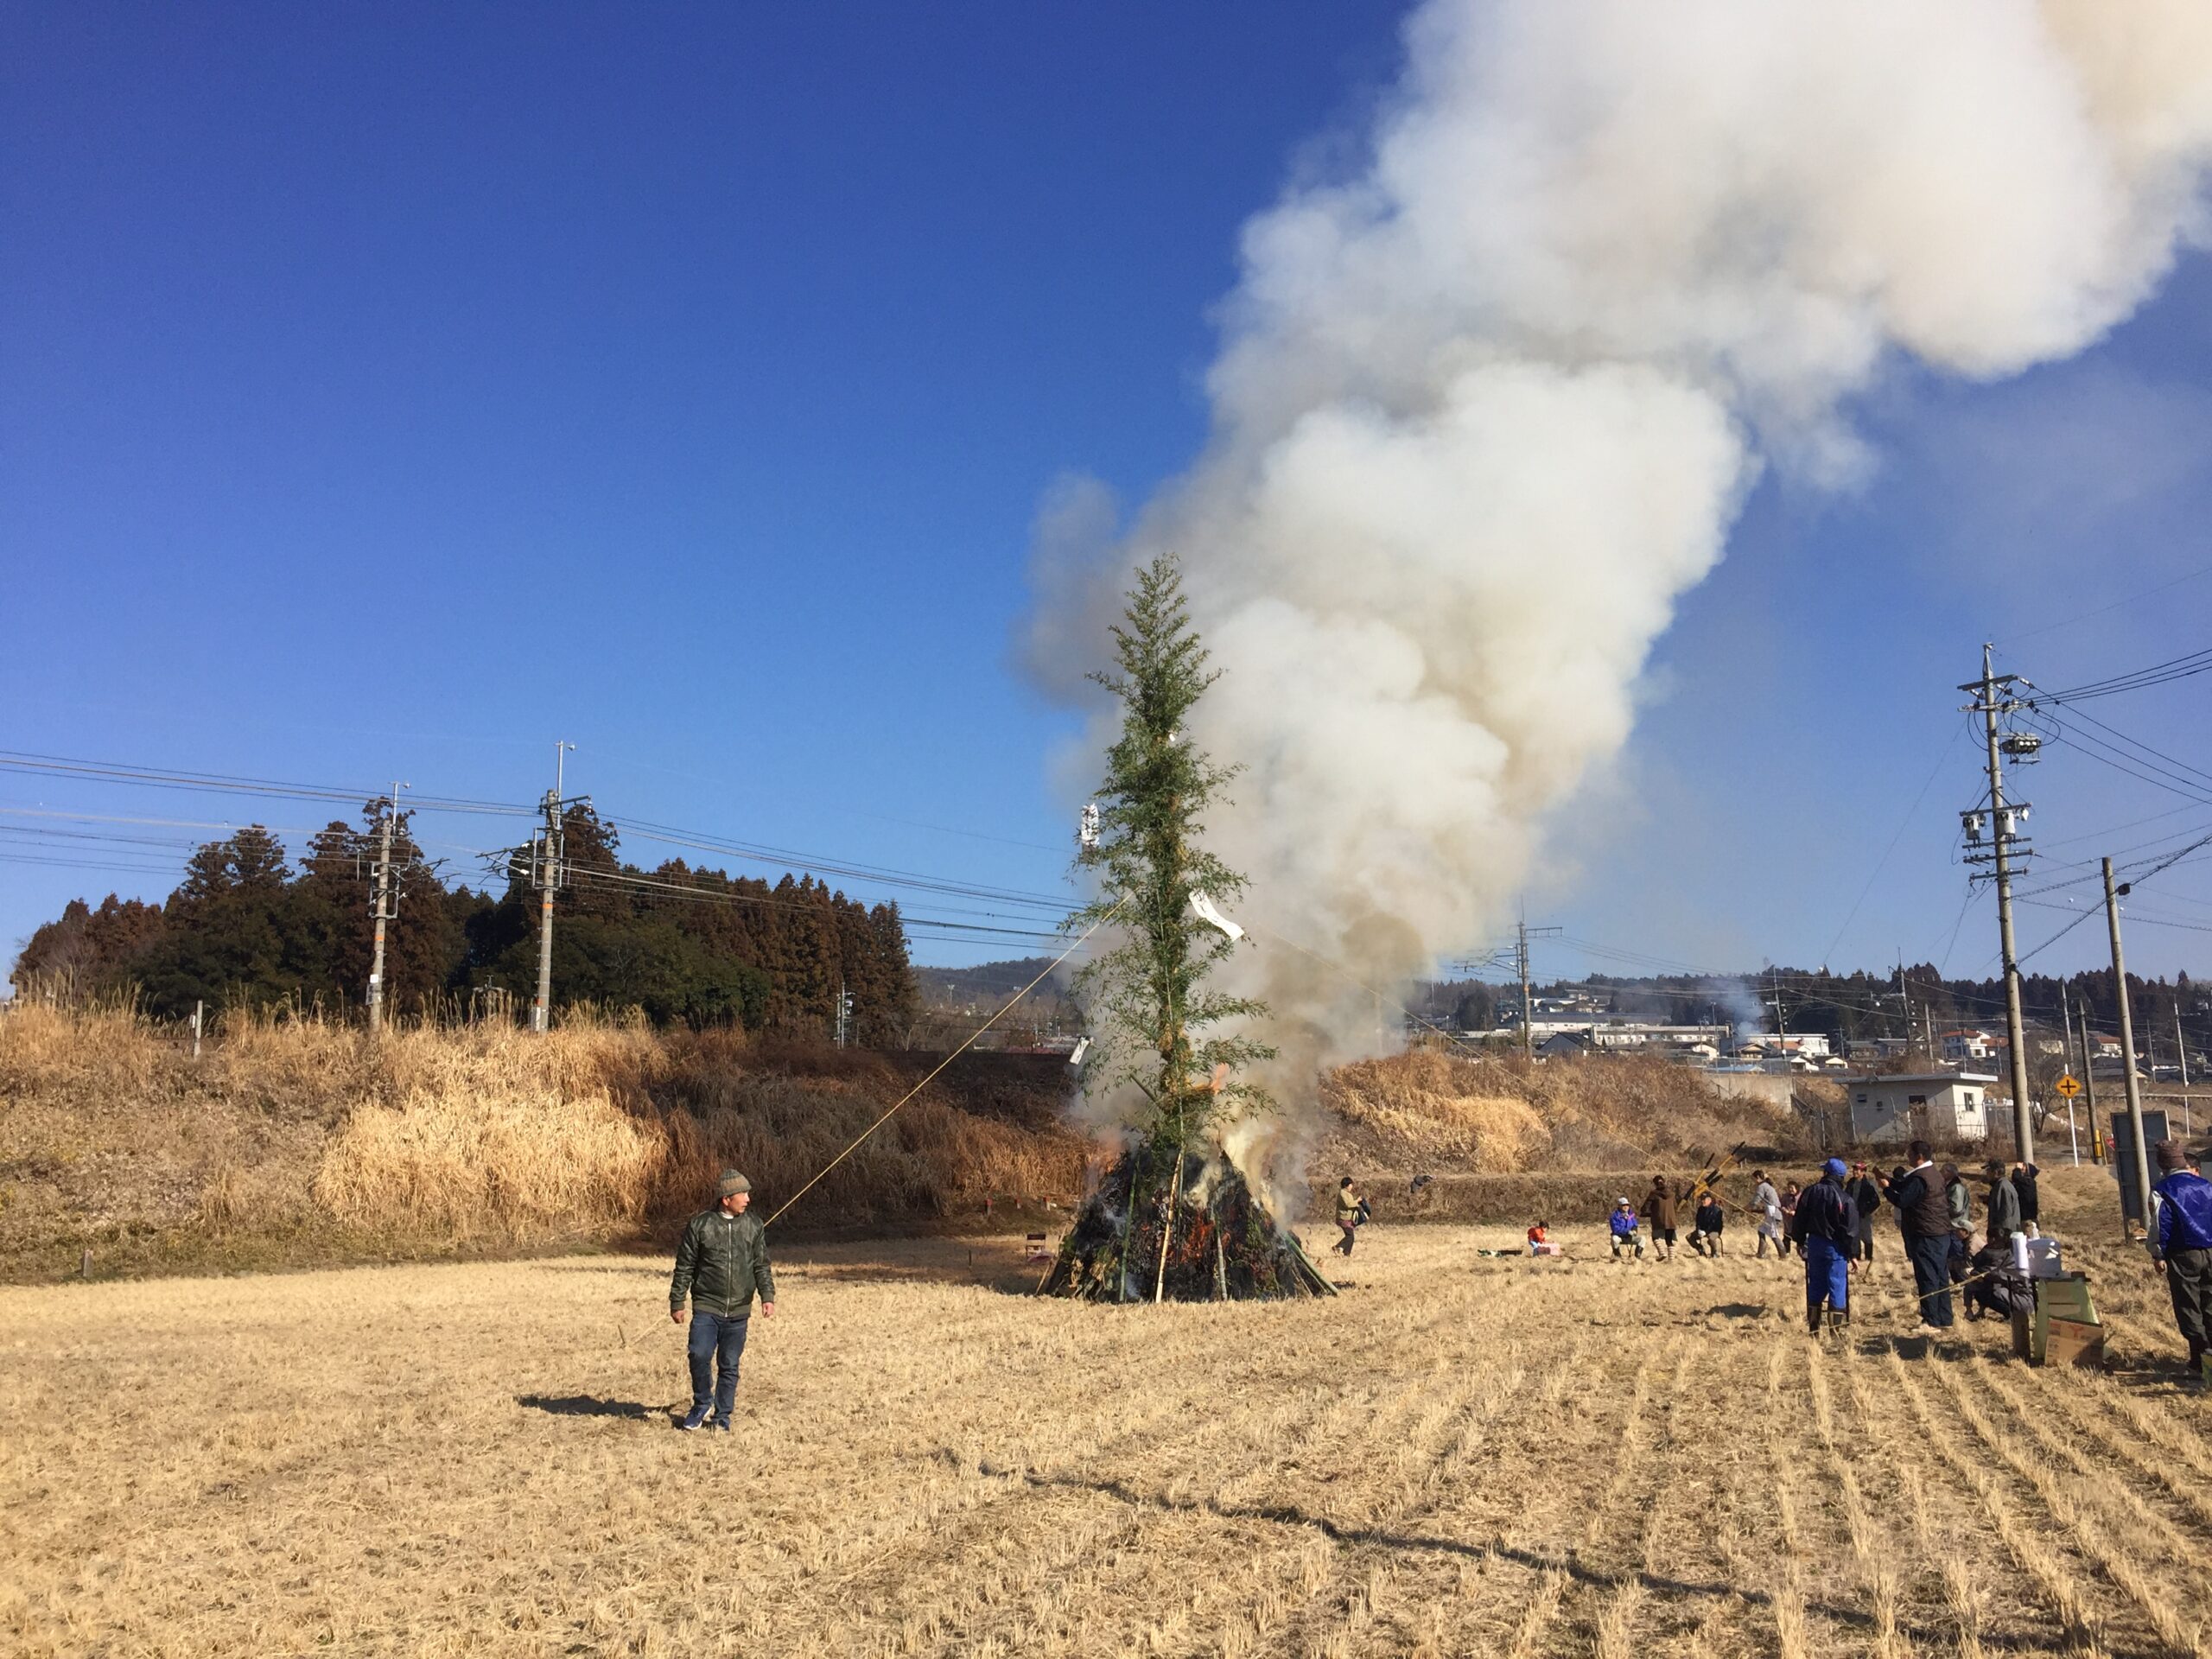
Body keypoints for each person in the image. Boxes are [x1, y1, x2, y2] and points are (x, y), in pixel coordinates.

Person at [669, 1168, 778, 1432]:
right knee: (699, 1354)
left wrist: (767, 1295)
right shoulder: (700, 1225)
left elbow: (761, 1264)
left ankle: (722, 1417)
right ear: (726, 1198)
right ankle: (702, 1403)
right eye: (743, 1194)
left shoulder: (753, 1225)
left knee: (729, 1365)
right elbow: (685, 1266)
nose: (748, 1199)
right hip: (707, 1305)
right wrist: (677, 1301)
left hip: (739, 1310)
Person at [2151, 1141, 2212, 1377]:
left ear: (2163, 1164)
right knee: (2209, 1301)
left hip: (2183, 1252)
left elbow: (2160, 1224)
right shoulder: (2206, 1185)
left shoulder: (2162, 1189)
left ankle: (2199, 1359)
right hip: (2210, 1249)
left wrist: (2158, 1253)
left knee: (2188, 1305)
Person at [1890, 1141, 1955, 1330]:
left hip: (1926, 1233)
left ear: (1918, 1156)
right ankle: (1944, 1317)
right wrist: (1891, 1182)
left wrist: (1887, 1189)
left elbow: (1902, 1200)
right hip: (1940, 1232)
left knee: (1927, 1276)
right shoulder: (1933, 1173)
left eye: (1909, 1154)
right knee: (1941, 1275)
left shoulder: (1921, 1178)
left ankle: (1931, 1320)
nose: (1907, 1158)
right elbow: (1905, 1188)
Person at [1790, 1158, 1859, 1333]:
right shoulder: (1844, 1198)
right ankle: (1835, 1330)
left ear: (1826, 1173)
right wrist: (1853, 1254)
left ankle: (1814, 1325)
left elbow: (1799, 1218)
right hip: (1835, 1246)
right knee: (1837, 1283)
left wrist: (1799, 1241)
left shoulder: (1810, 1192)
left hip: (1814, 1243)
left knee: (1816, 1282)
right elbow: (1850, 1229)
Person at [1846, 1162, 1883, 1274]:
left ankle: (1868, 1257)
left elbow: (1876, 1201)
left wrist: (1866, 1211)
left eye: (1858, 1170)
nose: (1855, 1172)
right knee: (1854, 1236)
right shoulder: (1850, 1183)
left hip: (1864, 1215)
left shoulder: (1869, 1184)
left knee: (1866, 1235)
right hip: (1852, 1214)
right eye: (1854, 1170)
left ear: (1863, 1172)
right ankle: (1856, 1257)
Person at [1942, 1163, 1973, 1284]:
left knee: (1957, 1258)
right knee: (1951, 1258)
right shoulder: (1950, 1186)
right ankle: (1958, 1282)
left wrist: (1941, 1207)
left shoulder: (1956, 1188)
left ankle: (1963, 1282)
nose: (1941, 1174)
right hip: (1952, 1227)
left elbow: (1956, 1209)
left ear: (1949, 1173)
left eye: (1942, 1171)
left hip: (1957, 1227)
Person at [1984, 1160, 2022, 1249]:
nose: (1986, 1174)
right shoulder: (2000, 1186)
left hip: (2004, 1237)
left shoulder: (2003, 1187)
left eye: (1988, 1171)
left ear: (1996, 1172)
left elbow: (2006, 1214)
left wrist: (2001, 1238)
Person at [1646, 1176, 1680, 1262]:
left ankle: (1662, 1253)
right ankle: (1671, 1260)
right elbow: (1675, 1207)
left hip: (1659, 1220)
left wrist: (1646, 1213)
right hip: (1671, 1221)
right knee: (1669, 1240)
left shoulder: (1653, 1194)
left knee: (1655, 1237)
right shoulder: (1672, 1194)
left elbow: (1646, 1207)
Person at [1752, 1172, 1784, 1260]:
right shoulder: (1767, 1186)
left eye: (1754, 1178)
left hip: (1773, 1214)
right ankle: (1761, 1253)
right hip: (1772, 1212)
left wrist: (1747, 1207)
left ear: (1758, 1177)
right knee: (1761, 1231)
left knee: (1774, 1236)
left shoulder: (1762, 1187)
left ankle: (1783, 1256)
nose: (1753, 1181)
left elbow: (1755, 1201)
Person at [1334, 1176, 1364, 1256]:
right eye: (1351, 1184)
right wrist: (1357, 1201)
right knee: (1350, 1236)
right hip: (1343, 1218)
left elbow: (1352, 1204)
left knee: (1351, 1236)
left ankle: (1347, 1254)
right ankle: (1338, 1247)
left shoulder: (1347, 1194)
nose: (1352, 1186)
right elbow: (1348, 1204)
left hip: (1347, 1218)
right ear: (1346, 1185)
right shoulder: (1342, 1193)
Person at [1691, 1189, 1726, 1256]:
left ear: (1709, 1200)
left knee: (1711, 1238)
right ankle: (1700, 1249)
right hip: (1703, 1230)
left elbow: (1714, 1225)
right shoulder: (1700, 1209)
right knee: (1689, 1237)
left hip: (1714, 1230)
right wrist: (1698, 1230)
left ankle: (1714, 1252)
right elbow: (1698, 1221)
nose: (1702, 1201)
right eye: (1701, 1199)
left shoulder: (1716, 1210)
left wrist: (1706, 1232)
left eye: (1704, 1199)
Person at [1609, 1197, 1645, 1261]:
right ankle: (1618, 1257)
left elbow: (1635, 1224)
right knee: (1614, 1239)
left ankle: (1637, 1257)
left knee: (1642, 1239)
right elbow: (1616, 1229)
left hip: (1630, 1236)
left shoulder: (1631, 1214)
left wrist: (1634, 1230)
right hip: (1619, 1236)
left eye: (1627, 1205)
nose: (1626, 1206)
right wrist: (1627, 1231)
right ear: (1619, 1206)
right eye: (1624, 1205)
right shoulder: (1614, 1216)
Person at [2014, 1161, 2041, 1240]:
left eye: (2024, 1167)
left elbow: (2016, 1177)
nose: (2022, 1168)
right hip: (2027, 1218)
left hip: (2027, 1220)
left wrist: (2017, 1168)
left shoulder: (2028, 1182)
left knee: (2029, 1241)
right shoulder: (2027, 1183)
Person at [1778, 1181, 1802, 1259]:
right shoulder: (1785, 1196)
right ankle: (1786, 1253)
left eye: (1792, 1188)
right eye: (1789, 1188)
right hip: (1788, 1221)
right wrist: (1784, 1210)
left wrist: (1795, 1212)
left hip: (1798, 1222)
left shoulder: (1801, 1197)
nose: (1790, 1189)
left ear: (1796, 1188)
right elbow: (1781, 1205)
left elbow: (1804, 1208)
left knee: (1800, 1239)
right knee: (1786, 1238)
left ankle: (1801, 1253)